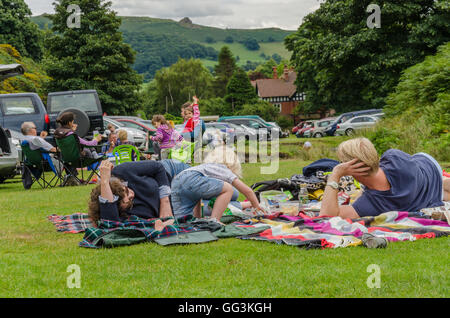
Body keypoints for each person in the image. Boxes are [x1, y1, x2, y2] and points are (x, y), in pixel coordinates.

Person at [319, 137, 450, 219]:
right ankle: (443, 181)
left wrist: (335, 175)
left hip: (431, 197)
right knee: (439, 183)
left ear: (349, 168)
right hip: (430, 168)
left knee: (441, 190)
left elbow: (326, 216)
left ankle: (443, 183)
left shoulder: (369, 204)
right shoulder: (394, 157)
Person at [170, 146, 266, 222]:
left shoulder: (205, 168)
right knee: (228, 189)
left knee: (181, 221)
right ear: (231, 163)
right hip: (190, 177)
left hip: (177, 180)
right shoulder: (222, 168)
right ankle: (215, 220)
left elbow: (198, 196)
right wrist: (256, 207)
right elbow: (247, 191)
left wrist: (198, 218)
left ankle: (167, 223)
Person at [88, 160, 173, 224]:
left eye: (127, 190)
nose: (132, 195)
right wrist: (104, 183)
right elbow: (110, 223)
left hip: (169, 173)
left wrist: (165, 202)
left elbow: (158, 167)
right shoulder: (124, 216)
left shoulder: (121, 172)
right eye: (129, 200)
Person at [20, 122, 63, 188]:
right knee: (66, 157)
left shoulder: (23, 140)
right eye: (35, 128)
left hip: (33, 163)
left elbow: (35, 148)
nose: (36, 130)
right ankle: (69, 178)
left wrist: (41, 138)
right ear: (31, 130)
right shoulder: (36, 139)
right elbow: (53, 149)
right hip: (46, 163)